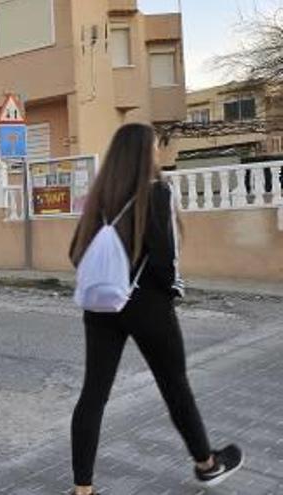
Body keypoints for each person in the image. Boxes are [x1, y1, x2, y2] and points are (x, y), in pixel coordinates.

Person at [67, 123, 243, 495]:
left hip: (101, 306)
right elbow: (164, 260)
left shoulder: (98, 198)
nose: (159, 153)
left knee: (93, 394)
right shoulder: (157, 193)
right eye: (155, 147)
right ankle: (206, 464)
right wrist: (170, 291)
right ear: (145, 154)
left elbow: (75, 253)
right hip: (148, 306)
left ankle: (83, 489)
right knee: (175, 386)